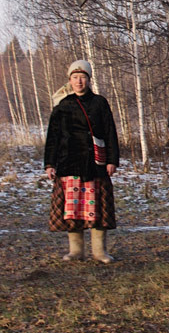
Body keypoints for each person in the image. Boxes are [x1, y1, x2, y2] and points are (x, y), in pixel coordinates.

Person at [43, 59, 121, 262]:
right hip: (69, 162)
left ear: (89, 80)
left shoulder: (100, 103)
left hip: (95, 164)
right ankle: (76, 251)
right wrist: (50, 164)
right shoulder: (62, 105)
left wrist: (112, 160)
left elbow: (110, 132)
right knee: (73, 208)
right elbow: (53, 136)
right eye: (75, 78)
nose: (79, 82)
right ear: (70, 80)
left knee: (97, 209)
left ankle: (99, 252)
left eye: (83, 78)